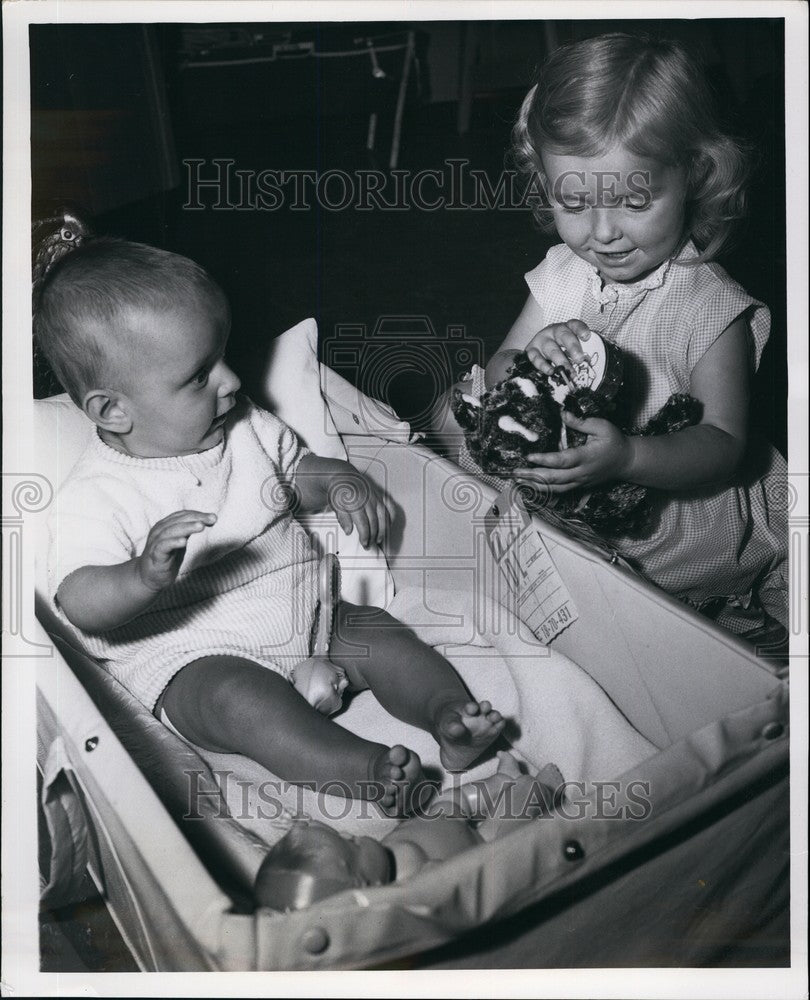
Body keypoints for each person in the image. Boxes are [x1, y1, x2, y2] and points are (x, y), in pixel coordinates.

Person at [36, 216, 506, 817]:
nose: (231, 380)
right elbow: (79, 599)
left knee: (381, 634)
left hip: (310, 613)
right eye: (199, 376)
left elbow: (293, 473)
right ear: (112, 411)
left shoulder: (244, 426)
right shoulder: (97, 494)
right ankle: (366, 772)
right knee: (239, 704)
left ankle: (449, 718)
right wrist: (141, 575)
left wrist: (335, 480)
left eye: (223, 356)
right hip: (198, 657)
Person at [434, 33, 787, 641]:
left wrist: (628, 457)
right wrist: (527, 361)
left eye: (633, 202)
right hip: (571, 499)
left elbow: (723, 444)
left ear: (695, 174)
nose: (602, 234)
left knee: (679, 643)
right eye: (574, 204)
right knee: (450, 427)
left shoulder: (710, 308)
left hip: (671, 521)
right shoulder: (563, 274)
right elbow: (498, 371)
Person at [253, 750, 564, 911]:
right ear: (368, 886)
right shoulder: (408, 890)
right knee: (514, 812)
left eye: (343, 835)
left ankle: (502, 781)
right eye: (353, 844)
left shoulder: (374, 862)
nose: (349, 834)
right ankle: (542, 791)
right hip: (483, 842)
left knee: (451, 800)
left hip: (440, 816)